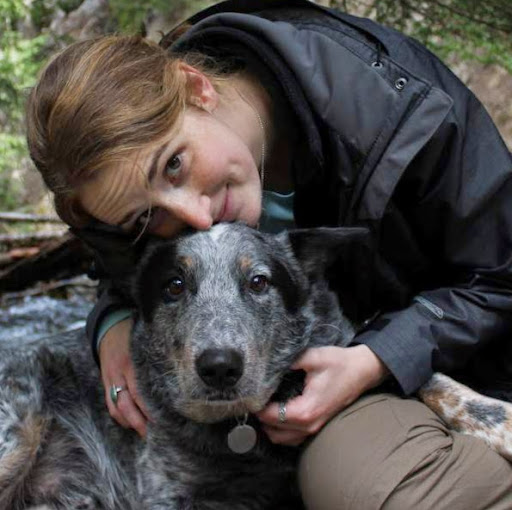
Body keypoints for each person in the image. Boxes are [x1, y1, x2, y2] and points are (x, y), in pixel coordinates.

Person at [26, 0, 512, 508]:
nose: (196, 217)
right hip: (293, 404)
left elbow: (501, 273)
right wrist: (113, 319)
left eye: (173, 166)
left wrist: (378, 359)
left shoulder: (399, 110)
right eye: (144, 217)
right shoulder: (140, 188)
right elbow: (118, 263)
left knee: (355, 478)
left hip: (467, 365)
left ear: (197, 88)